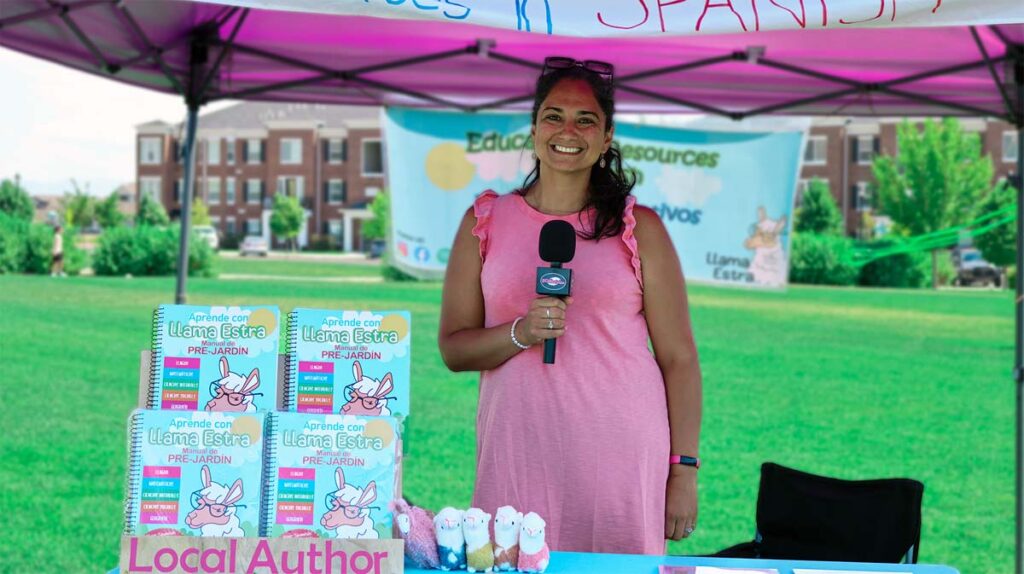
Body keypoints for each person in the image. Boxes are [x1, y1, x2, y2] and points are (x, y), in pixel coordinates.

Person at [438, 57, 702, 555]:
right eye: (554, 116)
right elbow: (454, 349)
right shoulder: (485, 221)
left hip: (620, 452)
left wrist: (683, 471)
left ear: (606, 138)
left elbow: (679, 359)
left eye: (586, 120)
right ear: (534, 127)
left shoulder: (640, 228)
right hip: (517, 451)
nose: (568, 131)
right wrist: (521, 332)